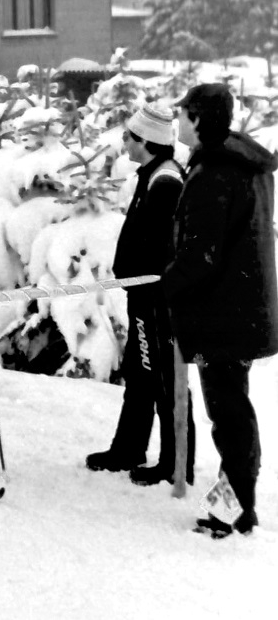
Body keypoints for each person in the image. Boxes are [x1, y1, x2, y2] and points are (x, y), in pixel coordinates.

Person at [164, 83, 278, 538]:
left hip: (224, 313)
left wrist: (166, 285)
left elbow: (201, 254)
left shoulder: (216, 173)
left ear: (198, 119)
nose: (177, 121)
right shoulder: (245, 164)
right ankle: (235, 506)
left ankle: (233, 512)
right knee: (234, 412)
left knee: (229, 416)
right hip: (241, 307)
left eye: (182, 114)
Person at [86, 104, 194, 484]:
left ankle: (176, 463)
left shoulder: (165, 181)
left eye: (129, 136)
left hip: (157, 299)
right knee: (140, 372)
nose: (124, 142)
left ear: (146, 141)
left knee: (163, 376)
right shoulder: (152, 174)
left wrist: (149, 283)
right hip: (143, 295)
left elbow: (164, 246)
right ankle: (128, 448)